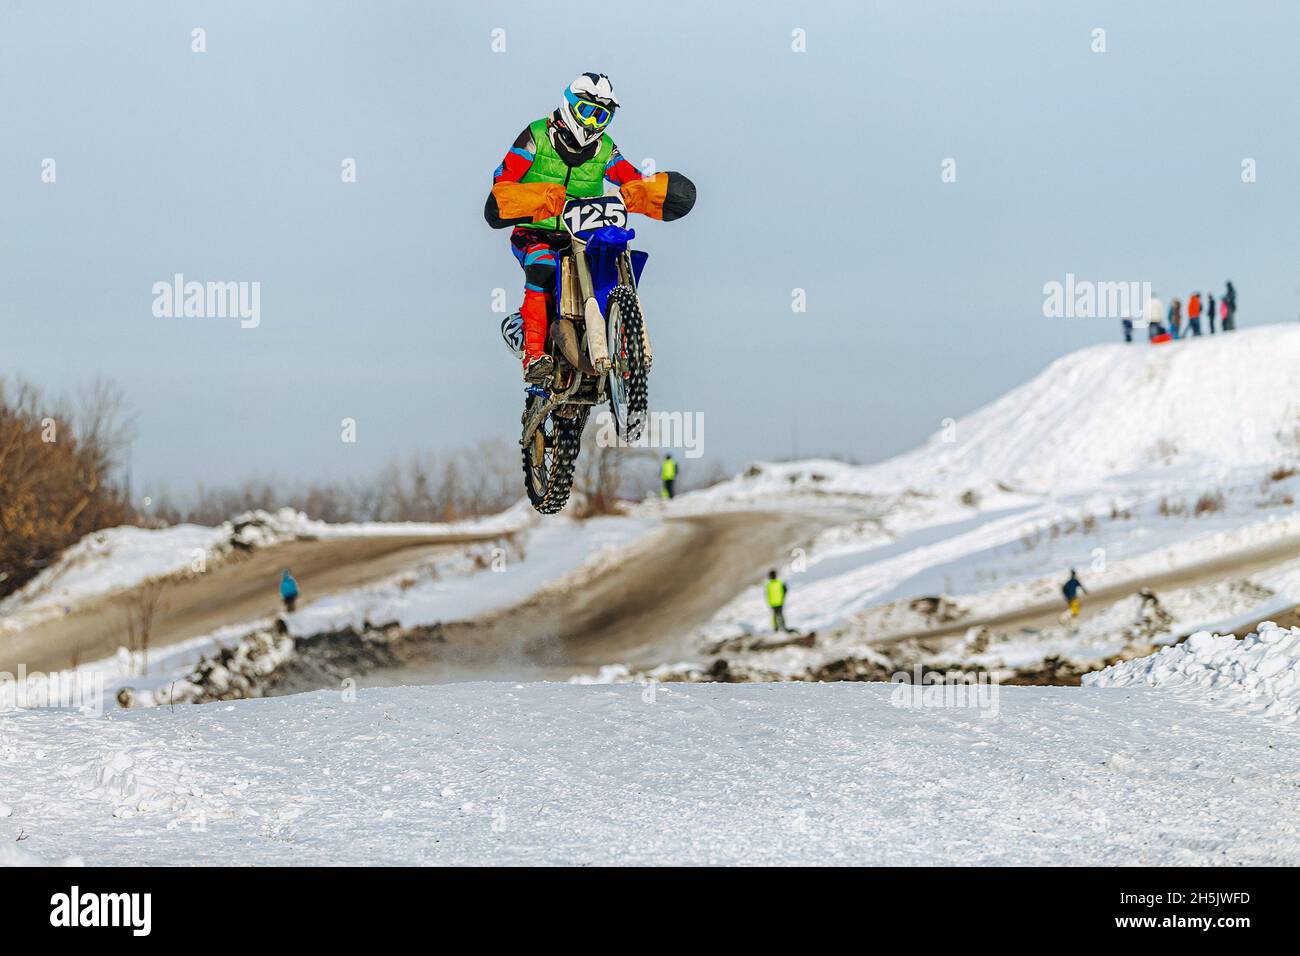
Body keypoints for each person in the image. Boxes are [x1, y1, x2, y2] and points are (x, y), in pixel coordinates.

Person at [484, 72, 696, 383]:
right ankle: (532, 353)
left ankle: (623, 340)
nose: (593, 123)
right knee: (541, 267)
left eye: (602, 116)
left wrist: (651, 191)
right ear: (570, 106)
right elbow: (503, 179)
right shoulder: (536, 136)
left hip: (582, 231)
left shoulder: (604, 149)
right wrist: (534, 199)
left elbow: (629, 174)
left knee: (608, 257)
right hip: (535, 229)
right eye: (588, 112)